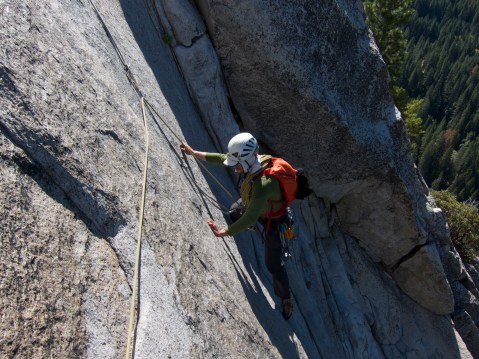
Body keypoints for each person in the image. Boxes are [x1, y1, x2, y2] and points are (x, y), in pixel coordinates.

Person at [180, 133, 293, 320]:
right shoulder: (250, 162)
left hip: (273, 222)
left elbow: (250, 218)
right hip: (254, 205)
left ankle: (286, 298)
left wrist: (223, 232)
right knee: (234, 211)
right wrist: (194, 153)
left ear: (248, 161)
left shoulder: (264, 183)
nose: (234, 169)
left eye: (237, 165)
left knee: (273, 265)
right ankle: (241, 224)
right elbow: (223, 158)